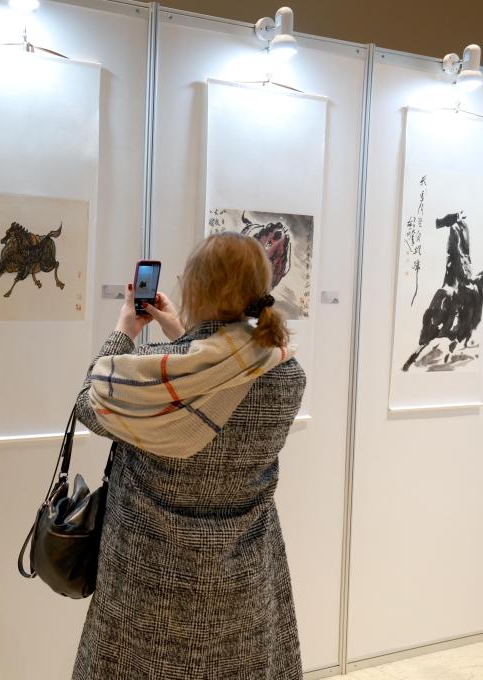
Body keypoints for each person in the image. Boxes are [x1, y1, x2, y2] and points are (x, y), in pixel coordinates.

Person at [71, 232, 306, 680]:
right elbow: (219, 383)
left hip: (148, 575)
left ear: (193, 289)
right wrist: (181, 336)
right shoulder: (284, 373)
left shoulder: (153, 373)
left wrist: (125, 330)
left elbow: (89, 403)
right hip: (243, 575)